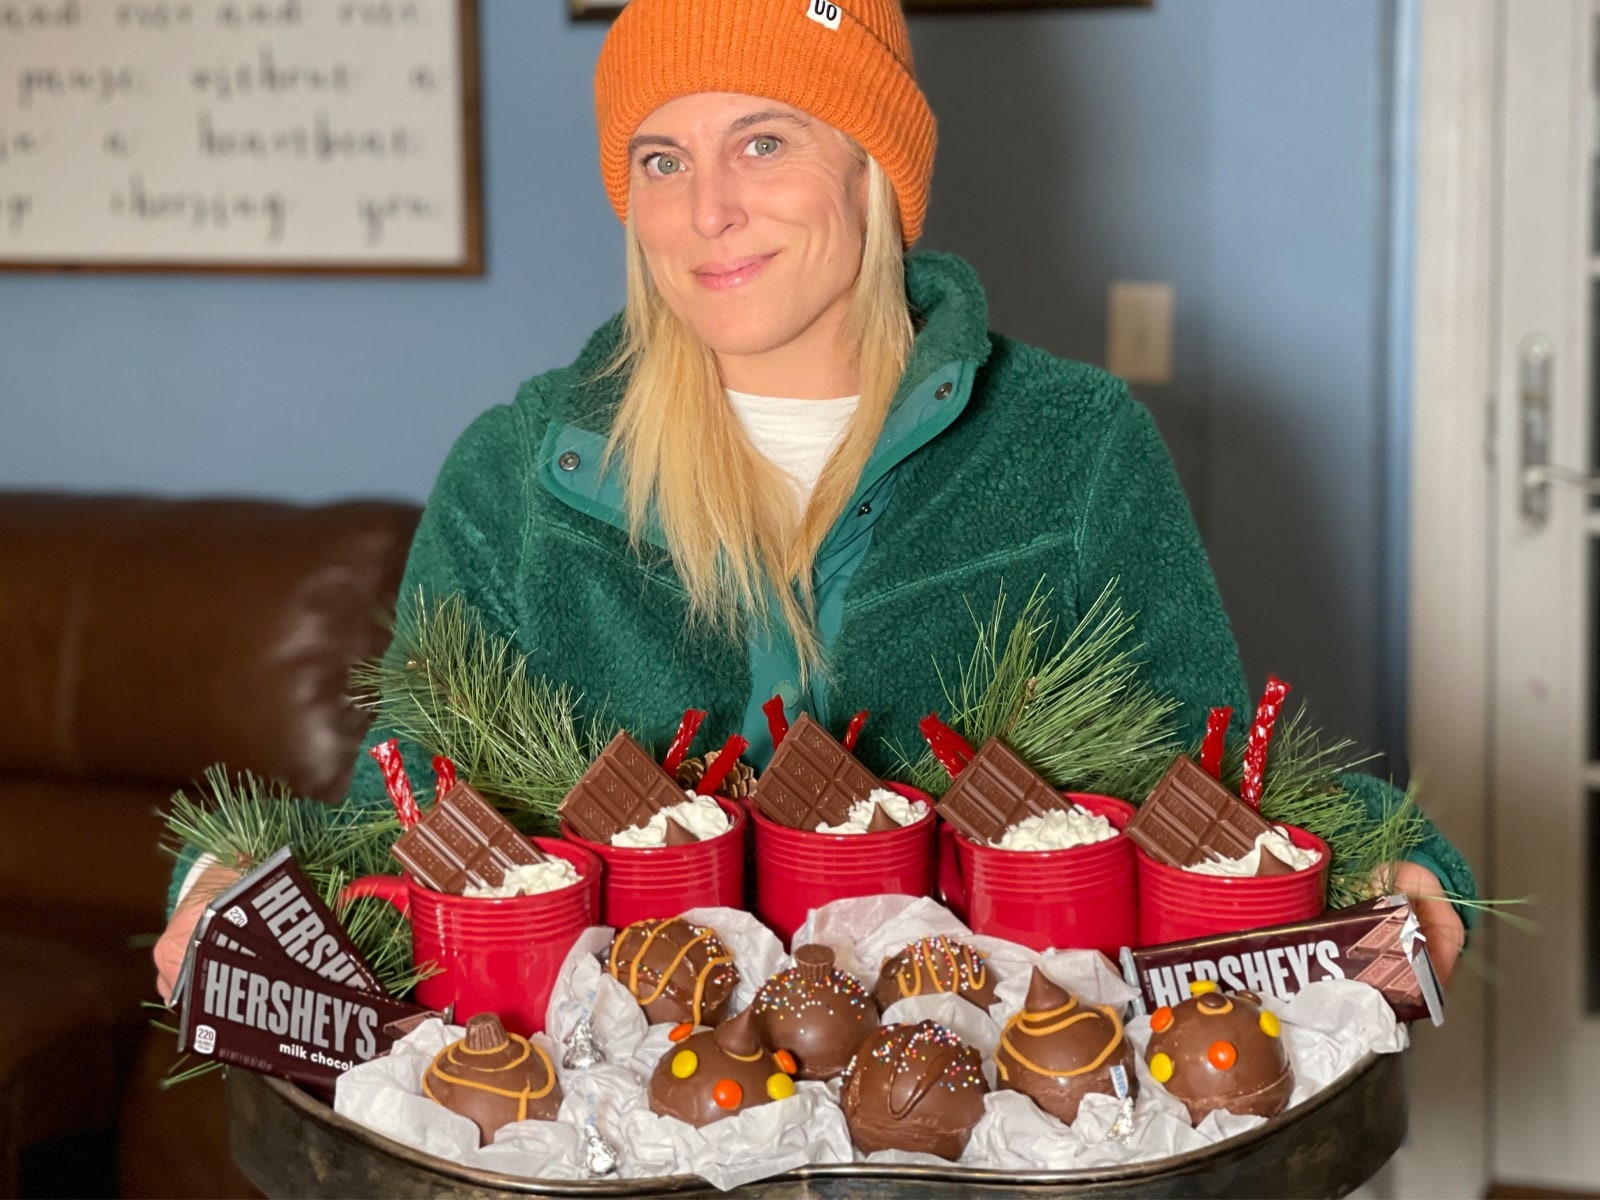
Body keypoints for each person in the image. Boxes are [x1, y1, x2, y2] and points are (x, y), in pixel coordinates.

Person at [154, 0, 1472, 1001]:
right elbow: (401, 838)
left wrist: (1401, 879)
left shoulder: (1073, 449)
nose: (709, 210)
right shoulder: (514, 476)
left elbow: (1219, 797)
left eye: (764, 141)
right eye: (661, 160)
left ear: (872, 171)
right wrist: (228, 884)